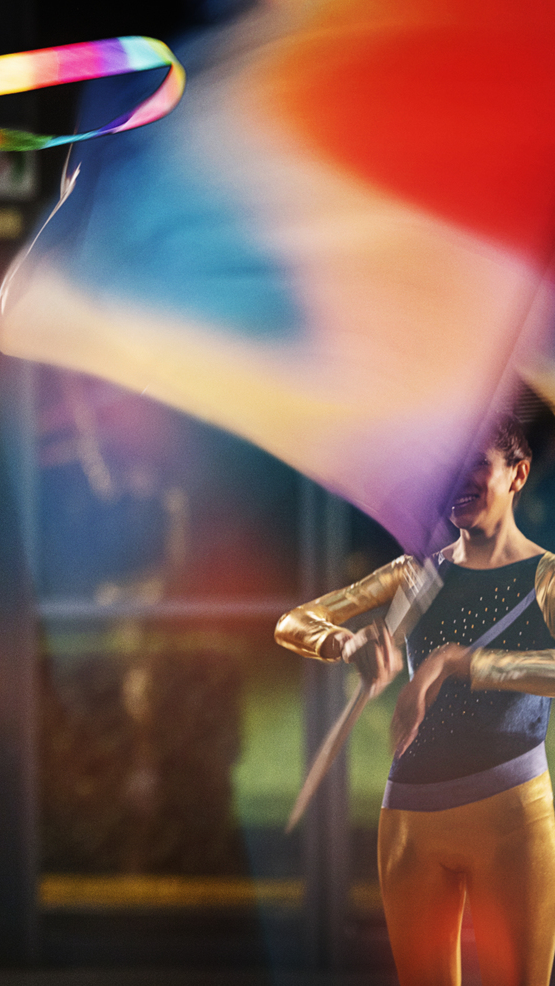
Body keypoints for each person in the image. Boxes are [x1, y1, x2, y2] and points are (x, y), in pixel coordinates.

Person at [276, 415, 555, 986]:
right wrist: (347, 642)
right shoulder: (415, 574)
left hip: (512, 823)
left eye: (478, 461)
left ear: (518, 474)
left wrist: (457, 662)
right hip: (409, 825)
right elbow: (293, 622)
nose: (460, 478)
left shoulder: (546, 578)